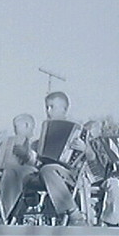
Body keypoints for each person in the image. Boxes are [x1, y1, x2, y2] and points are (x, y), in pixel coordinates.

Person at [23, 91, 94, 226]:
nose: (48, 111)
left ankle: (74, 215)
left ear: (64, 109)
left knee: (48, 170)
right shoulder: (45, 130)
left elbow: (92, 157)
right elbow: (35, 159)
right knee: (17, 171)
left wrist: (85, 149)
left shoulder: (78, 131)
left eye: (52, 107)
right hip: (44, 173)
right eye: (46, 107)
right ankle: (5, 214)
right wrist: (28, 154)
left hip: (69, 174)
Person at [0, 114, 38, 219]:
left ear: (27, 125)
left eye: (16, 127)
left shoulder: (35, 142)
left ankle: (1, 213)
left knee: (12, 172)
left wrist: (27, 155)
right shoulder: (9, 140)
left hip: (26, 174)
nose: (14, 130)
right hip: (7, 173)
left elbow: (38, 162)